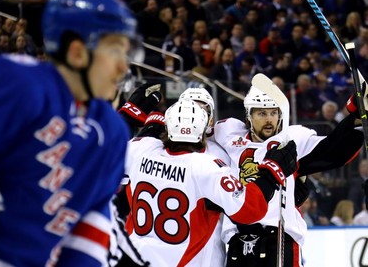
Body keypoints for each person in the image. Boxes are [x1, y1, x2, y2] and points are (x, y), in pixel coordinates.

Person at [0, 0, 139, 266]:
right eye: (115, 51)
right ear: (77, 52)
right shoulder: (19, 82)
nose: (123, 67)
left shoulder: (113, 133)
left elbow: (89, 226)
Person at [124, 98, 298, 267]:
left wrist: (131, 114)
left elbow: (102, 158)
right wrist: (271, 171)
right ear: (203, 130)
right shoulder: (206, 166)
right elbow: (250, 209)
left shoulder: (141, 149)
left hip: (135, 258)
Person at [213, 74, 364, 267]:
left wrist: (355, 117)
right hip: (237, 240)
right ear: (249, 116)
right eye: (261, 113)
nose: (269, 120)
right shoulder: (229, 134)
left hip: (279, 240)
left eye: (273, 113)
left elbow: (334, 150)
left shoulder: (291, 140)